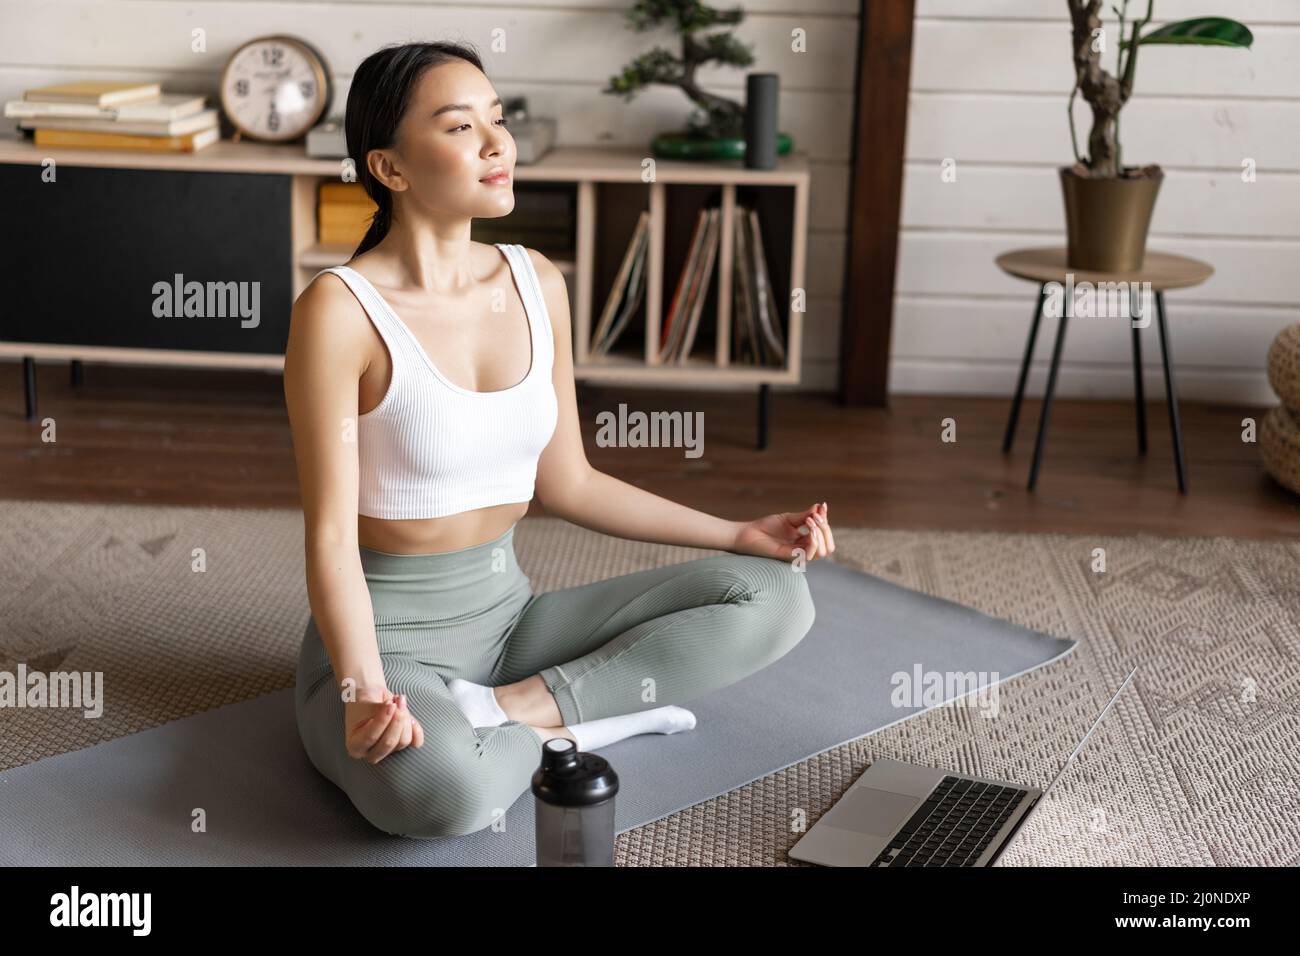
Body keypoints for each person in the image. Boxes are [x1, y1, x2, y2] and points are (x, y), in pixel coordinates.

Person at [282, 39, 832, 839]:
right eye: (461, 126)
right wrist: (364, 691)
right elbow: (330, 538)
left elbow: (568, 481)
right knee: (446, 801)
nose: (496, 143)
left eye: (497, 121)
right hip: (388, 645)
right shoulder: (338, 312)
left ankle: (519, 713)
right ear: (390, 168)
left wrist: (738, 534)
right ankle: (563, 727)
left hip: (513, 623)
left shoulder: (537, 280)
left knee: (777, 596)